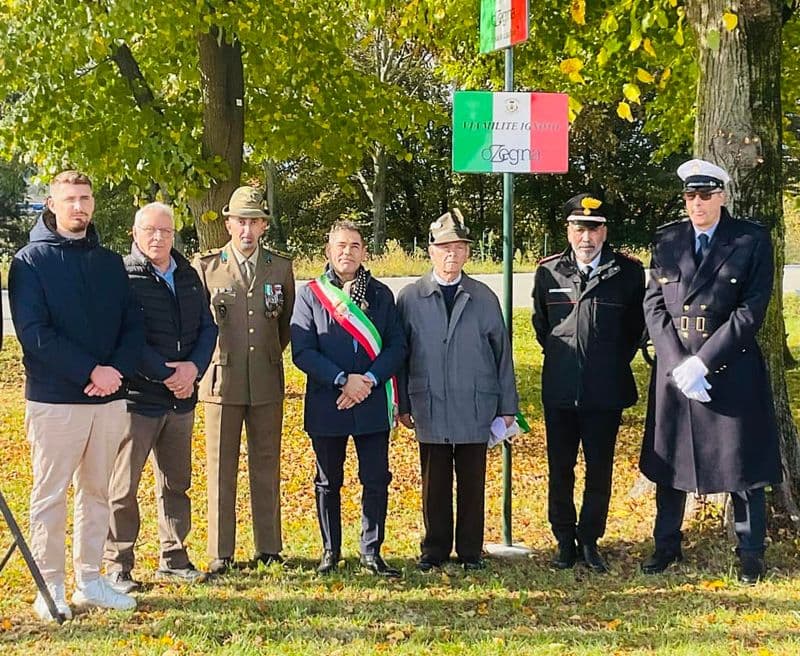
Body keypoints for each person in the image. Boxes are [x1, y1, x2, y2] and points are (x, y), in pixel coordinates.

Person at [9, 170, 144, 620]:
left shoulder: (109, 263)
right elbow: (35, 334)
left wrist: (115, 373)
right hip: (55, 401)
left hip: (108, 401)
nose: (78, 207)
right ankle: (50, 588)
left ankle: (90, 580)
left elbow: (132, 325)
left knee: (98, 493)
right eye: (69, 199)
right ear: (51, 203)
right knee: (50, 496)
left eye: (85, 198)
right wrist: (91, 370)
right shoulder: (29, 262)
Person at [640, 159, 782, 584]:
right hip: (676, 369)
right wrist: (677, 362)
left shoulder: (750, 240)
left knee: (742, 463)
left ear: (722, 196)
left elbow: (751, 309)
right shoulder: (668, 241)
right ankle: (666, 544)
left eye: (705, 196)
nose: (697, 204)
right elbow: (654, 305)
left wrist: (704, 361)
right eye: (690, 196)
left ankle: (751, 551)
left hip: (729, 366)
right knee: (671, 461)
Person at [103, 203, 217, 592]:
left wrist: (193, 369)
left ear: (174, 234)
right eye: (149, 230)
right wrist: (168, 373)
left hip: (181, 401)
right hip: (138, 399)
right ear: (135, 233)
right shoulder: (123, 275)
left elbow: (208, 327)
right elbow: (124, 338)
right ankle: (118, 564)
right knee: (123, 488)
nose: (157, 237)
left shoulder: (187, 274)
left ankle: (175, 556)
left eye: (165, 231)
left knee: (176, 484)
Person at [397, 209, 519, 572]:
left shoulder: (483, 297)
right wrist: (402, 402)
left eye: (459, 247)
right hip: (429, 402)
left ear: (468, 253)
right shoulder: (410, 297)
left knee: (472, 482)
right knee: (433, 484)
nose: (452, 254)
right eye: (444, 247)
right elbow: (400, 356)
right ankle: (433, 550)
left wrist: (507, 405)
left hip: (474, 404)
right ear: (431, 250)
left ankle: (470, 550)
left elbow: (503, 355)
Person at [532, 194, 645, 573]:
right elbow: (541, 326)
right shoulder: (548, 272)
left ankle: (590, 539)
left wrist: (605, 362)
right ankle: (564, 539)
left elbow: (634, 330)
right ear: (568, 230)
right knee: (560, 468)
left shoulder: (628, 273)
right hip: (561, 389)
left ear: (604, 231)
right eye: (580, 227)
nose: (587, 236)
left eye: (594, 228)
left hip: (605, 389)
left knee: (600, 469)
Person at [291, 220, 406, 577]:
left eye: (355, 246)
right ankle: (330, 551)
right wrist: (342, 380)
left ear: (364, 252)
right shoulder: (311, 294)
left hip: (371, 400)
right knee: (328, 481)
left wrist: (368, 381)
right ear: (328, 250)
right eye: (340, 245)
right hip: (329, 401)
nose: (347, 252)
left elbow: (397, 346)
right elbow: (303, 350)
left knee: (375, 479)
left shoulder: (381, 295)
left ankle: (371, 551)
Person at [193, 186, 295, 574]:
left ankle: (269, 546)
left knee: (267, 464)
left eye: (254, 221)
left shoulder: (280, 267)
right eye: (241, 221)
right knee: (220, 466)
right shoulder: (208, 267)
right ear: (228, 224)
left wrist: (269, 355)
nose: (247, 230)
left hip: (266, 378)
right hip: (222, 380)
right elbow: (201, 326)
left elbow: (284, 325)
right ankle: (221, 551)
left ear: (264, 225)